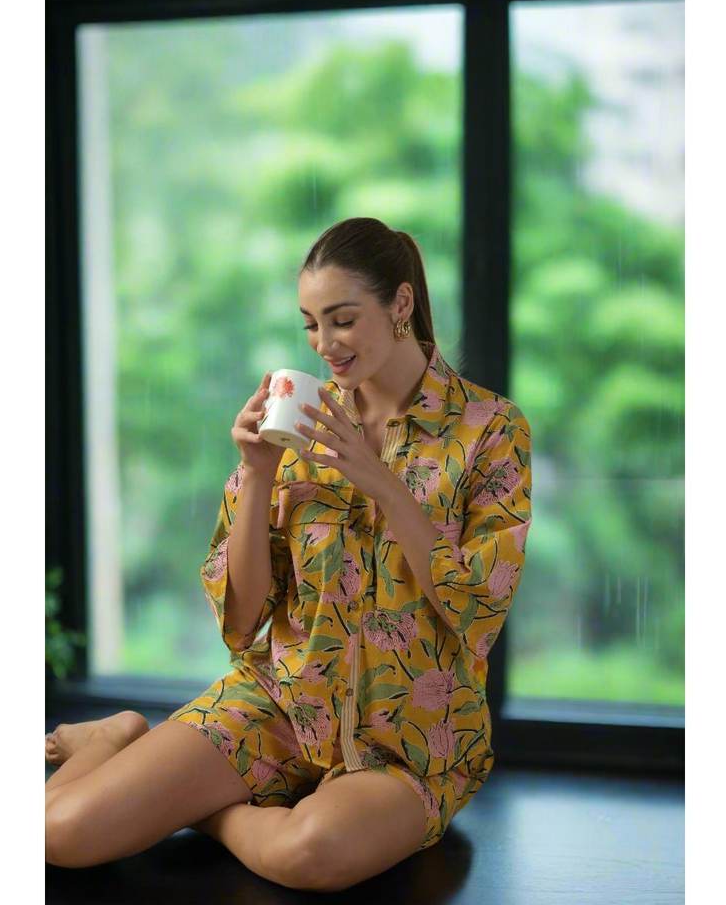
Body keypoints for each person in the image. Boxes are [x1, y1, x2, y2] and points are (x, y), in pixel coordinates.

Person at [45, 217, 532, 890]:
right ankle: (117, 736)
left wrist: (385, 486)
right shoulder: (297, 422)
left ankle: (210, 812)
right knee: (59, 833)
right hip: (279, 707)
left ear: (401, 304)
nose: (324, 344)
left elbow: (478, 609)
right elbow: (243, 621)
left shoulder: (491, 431)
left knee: (311, 853)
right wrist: (257, 473)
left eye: (342, 320)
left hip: (410, 741)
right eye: (310, 324)